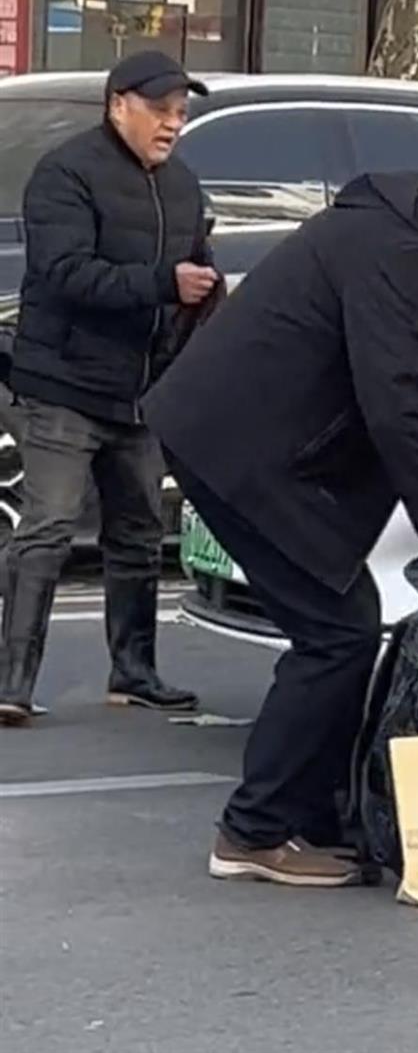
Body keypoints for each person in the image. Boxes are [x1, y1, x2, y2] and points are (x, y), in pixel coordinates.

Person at [143, 127, 418, 888]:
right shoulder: (406, 252)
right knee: (336, 633)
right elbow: (395, 400)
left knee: (342, 621)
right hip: (240, 446)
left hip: (248, 435)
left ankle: (311, 815)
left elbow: (414, 379)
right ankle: (253, 831)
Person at [0, 51, 217, 727]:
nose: (172, 124)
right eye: (160, 110)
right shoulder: (66, 172)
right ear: (118, 104)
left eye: (181, 112)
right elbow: (64, 272)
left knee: (139, 532)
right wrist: (162, 283)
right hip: (63, 382)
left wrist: (203, 300)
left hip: (141, 390)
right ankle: (12, 683)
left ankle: (135, 672)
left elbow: (196, 268)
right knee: (49, 527)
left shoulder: (183, 185)